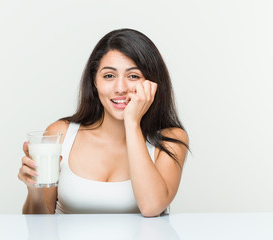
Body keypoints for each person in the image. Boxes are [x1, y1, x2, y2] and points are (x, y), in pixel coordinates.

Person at [18, 28, 189, 217]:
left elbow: (151, 207)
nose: (120, 88)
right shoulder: (61, 133)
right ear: (94, 81)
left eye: (133, 76)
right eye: (109, 76)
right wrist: (34, 189)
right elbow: (39, 225)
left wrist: (132, 123)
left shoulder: (170, 140)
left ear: (152, 83)